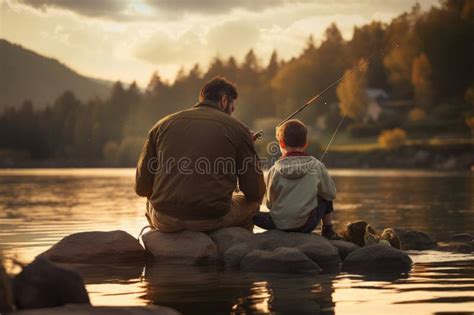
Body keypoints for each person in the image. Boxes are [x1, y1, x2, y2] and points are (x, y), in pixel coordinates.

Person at [135, 77, 265, 232]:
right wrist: (247, 144)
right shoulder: (238, 129)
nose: (232, 111)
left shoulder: (161, 125)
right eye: (232, 107)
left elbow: (142, 188)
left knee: (151, 201)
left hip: (164, 219)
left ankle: (159, 243)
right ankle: (235, 247)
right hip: (210, 219)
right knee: (252, 204)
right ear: (224, 101)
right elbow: (255, 191)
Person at [253, 119, 340, 239]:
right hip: (306, 225)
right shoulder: (317, 166)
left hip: (277, 224)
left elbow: (269, 204)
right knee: (326, 196)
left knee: (253, 215)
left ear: (282, 144)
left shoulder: (274, 169)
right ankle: (327, 230)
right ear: (305, 144)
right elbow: (331, 194)